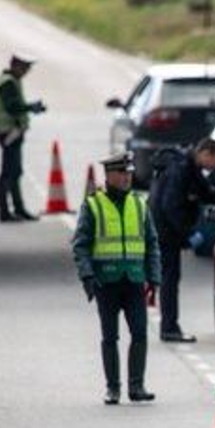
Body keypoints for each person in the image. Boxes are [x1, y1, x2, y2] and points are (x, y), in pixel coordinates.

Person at [73, 153, 162, 404]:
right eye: (121, 173)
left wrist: (154, 278)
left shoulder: (140, 204)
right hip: (106, 281)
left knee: (140, 333)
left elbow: (152, 244)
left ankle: (137, 386)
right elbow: (81, 245)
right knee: (110, 337)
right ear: (109, 175)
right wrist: (88, 276)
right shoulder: (93, 205)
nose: (126, 178)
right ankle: (113, 388)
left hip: (134, 280)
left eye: (129, 173)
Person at [148, 139, 215, 342]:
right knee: (170, 280)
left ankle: (170, 326)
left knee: (171, 279)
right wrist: (188, 234)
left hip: (168, 231)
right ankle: (169, 327)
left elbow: (207, 193)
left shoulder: (191, 169)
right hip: (165, 232)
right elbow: (170, 207)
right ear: (204, 153)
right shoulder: (181, 170)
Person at [0, 53, 46, 223]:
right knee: (8, 173)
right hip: (9, 132)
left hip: (13, 132)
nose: (27, 71)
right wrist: (31, 107)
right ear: (16, 65)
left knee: (14, 172)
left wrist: (30, 108)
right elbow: (12, 107)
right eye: (25, 67)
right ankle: (6, 212)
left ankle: (17, 209)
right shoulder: (7, 82)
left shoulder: (11, 80)